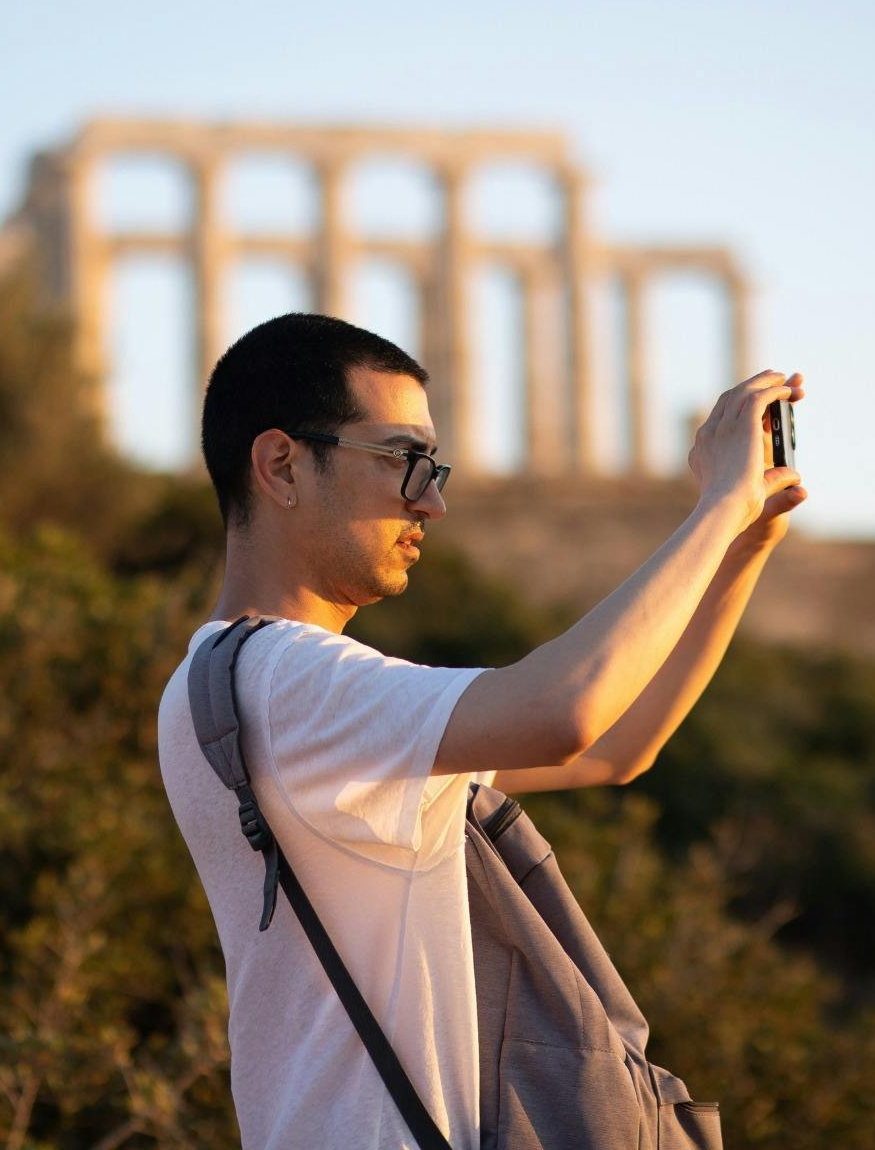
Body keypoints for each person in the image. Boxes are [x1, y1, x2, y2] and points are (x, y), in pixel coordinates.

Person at [157, 312, 805, 1149]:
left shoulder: (253, 688)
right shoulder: (287, 681)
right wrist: (716, 506)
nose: (433, 498)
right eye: (402, 459)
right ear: (281, 464)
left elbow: (614, 748)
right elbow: (564, 713)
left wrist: (743, 543)